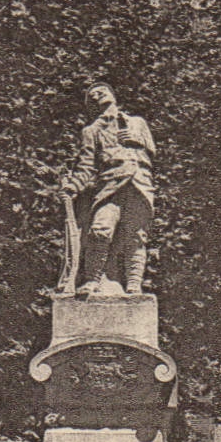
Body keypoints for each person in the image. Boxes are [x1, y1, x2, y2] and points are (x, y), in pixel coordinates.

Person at [60, 82, 156, 296]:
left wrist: (137, 141)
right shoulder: (91, 131)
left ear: (113, 95)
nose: (97, 94)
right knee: (100, 230)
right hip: (110, 186)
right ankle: (91, 281)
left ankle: (134, 285)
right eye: (92, 95)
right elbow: (86, 166)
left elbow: (153, 151)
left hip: (139, 183)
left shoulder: (137, 123)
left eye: (102, 90)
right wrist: (73, 186)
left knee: (136, 237)